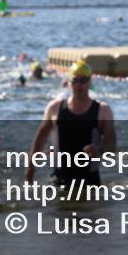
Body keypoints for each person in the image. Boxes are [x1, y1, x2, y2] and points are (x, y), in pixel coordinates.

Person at [25, 60, 116, 189]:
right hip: (59, 180)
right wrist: (29, 171)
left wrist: (99, 151)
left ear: (89, 82)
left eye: (83, 81)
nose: (78, 85)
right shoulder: (55, 108)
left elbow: (111, 146)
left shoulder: (103, 111)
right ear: (68, 83)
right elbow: (40, 140)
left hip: (90, 182)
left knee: (93, 208)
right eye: (75, 81)